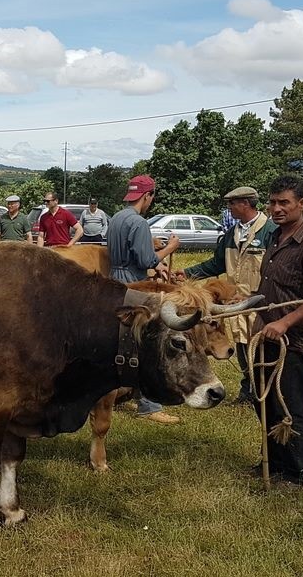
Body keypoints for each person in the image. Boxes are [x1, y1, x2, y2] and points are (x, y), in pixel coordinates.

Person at [251, 175, 303, 487]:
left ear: (302, 204)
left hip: (291, 341)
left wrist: (285, 322)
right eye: (272, 202)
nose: (276, 208)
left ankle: (296, 474)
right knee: (266, 403)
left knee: (289, 406)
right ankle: (272, 463)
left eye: (284, 202)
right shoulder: (275, 238)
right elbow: (270, 287)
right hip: (264, 336)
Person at [180, 186, 277, 406]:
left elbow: (276, 270)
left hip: (260, 302)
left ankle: (265, 390)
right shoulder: (231, 235)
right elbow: (215, 264)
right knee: (243, 345)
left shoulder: (270, 232)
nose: (229, 208)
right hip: (236, 304)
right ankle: (248, 390)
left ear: (245, 204)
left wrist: (257, 294)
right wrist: (185, 273)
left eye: (232, 204)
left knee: (262, 347)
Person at [107, 174, 183, 425]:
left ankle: (124, 389)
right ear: (148, 196)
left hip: (115, 280)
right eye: (152, 196)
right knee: (146, 343)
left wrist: (152, 248)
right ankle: (149, 404)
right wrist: (169, 249)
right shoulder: (139, 222)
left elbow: (132, 250)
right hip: (136, 285)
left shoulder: (117, 217)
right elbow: (144, 261)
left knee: (121, 341)